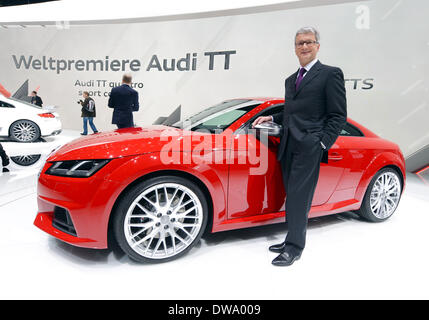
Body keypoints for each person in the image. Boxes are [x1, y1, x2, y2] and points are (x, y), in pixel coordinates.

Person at [253, 26, 347, 266]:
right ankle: (290, 238)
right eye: (299, 43)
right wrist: (272, 118)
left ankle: (294, 247)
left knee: (299, 198)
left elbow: (338, 115)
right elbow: (292, 111)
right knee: (291, 196)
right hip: (288, 146)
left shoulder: (330, 74)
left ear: (317, 45)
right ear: (294, 49)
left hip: (309, 147)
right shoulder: (290, 80)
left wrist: (322, 143)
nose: (304, 46)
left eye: (309, 42)